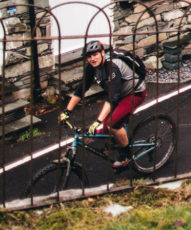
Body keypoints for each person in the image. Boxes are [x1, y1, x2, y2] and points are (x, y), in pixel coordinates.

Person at [60, 41, 146, 169]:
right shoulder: (91, 68)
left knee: (113, 124)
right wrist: (67, 111)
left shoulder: (112, 67)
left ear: (102, 53)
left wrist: (97, 121)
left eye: (95, 54)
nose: (92, 59)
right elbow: (80, 90)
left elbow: (113, 98)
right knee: (106, 127)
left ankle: (128, 157)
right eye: (89, 56)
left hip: (134, 93)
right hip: (118, 95)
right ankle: (117, 141)